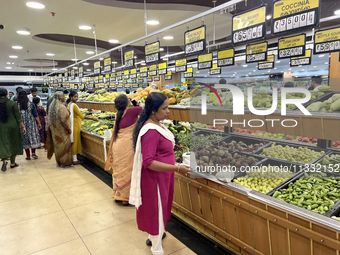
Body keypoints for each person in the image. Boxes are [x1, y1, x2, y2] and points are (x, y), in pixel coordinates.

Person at [130, 92, 190, 255]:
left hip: (162, 178)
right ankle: (157, 249)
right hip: (154, 180)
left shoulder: (157, 124)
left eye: (168, 107)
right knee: (156, 211)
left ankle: (153, 236)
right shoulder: (150, 131)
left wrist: (171, 147)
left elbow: (158, 149)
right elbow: (148, 162)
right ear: (153, 111)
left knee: (159, 209)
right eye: (164, 108)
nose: (168, 111)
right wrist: (177, 168)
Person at [105, 94, 143, 205]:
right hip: (128, 146)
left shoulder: (118, 114)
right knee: (128, 170)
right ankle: (127, 198)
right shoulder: (132, 111)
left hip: (118, 145)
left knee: (119, 169)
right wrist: (138, 103)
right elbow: (146, 107)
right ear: (127, 103)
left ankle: (119, 195)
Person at [67, 91, 98, 164]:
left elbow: (76, 114)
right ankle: (75, 159)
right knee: (75, 142)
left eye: (77, 96)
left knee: (73, 141)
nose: (77, 98)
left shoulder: (70, 104)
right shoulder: (74, 105)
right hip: (75, 125)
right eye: (75, 96)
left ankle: (73, 157)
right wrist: (92, 118)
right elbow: (81, 116)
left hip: (73, 124)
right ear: (71, 97)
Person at [0, 88, 26, 171]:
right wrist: (23, 126)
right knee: (13, 143)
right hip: (13, 126)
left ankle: (4, 160)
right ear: (7, 94)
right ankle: (12, 163)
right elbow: (18, 117)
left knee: (3, 143)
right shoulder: (12, 103)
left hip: (1, 127)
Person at [46, 91, 73, 168]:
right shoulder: (62, 107)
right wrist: (68, 128)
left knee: (58, 146)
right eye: (64, 96)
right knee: (65, 145)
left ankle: (59, 162)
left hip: (55, 130)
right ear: (61, 98)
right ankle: (65, 163)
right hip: (62, 130)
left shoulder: (52, 106)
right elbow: (63, 120)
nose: (65, 97)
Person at [17, 90, 42, 160]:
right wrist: (39, 123)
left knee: (25, 138)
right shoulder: (31, 104)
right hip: (31, 123)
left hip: (22, 124)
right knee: (33, 137)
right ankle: (33, 153)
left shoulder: (17, 105)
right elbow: (35, 114)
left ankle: (28, 156)